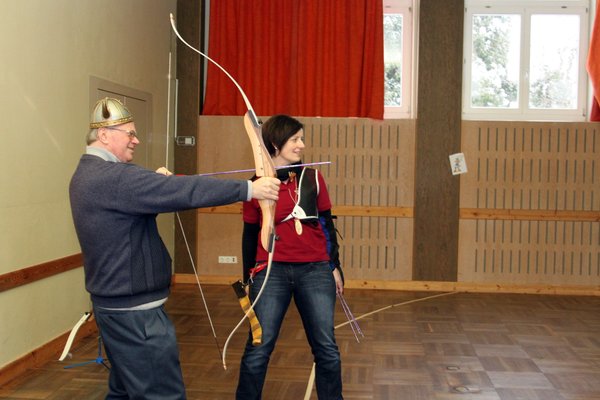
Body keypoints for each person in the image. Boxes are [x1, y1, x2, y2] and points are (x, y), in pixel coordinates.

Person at [69, 97, 280, 400]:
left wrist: (154, 187)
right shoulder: (114, 178)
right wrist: (250, 189)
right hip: (136, 317)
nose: (136, 140)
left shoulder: (89, 175)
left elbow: (124, 214)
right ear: (105, 135)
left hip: (116, 310)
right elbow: (183, 190)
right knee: (162, 395)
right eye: (130, 133)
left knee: (124, 392)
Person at [236, 114, 344, 400]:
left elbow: (326, 225)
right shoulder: (256, 183)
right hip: (270, 273)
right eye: (295, 139)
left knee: (326, 349)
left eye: (302, 139)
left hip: (315, 271)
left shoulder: (313, 177)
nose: (301, 145)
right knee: (258, 349)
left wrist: (334, 266)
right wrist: (249, 275)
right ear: (275, 143)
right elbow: (250, 234)